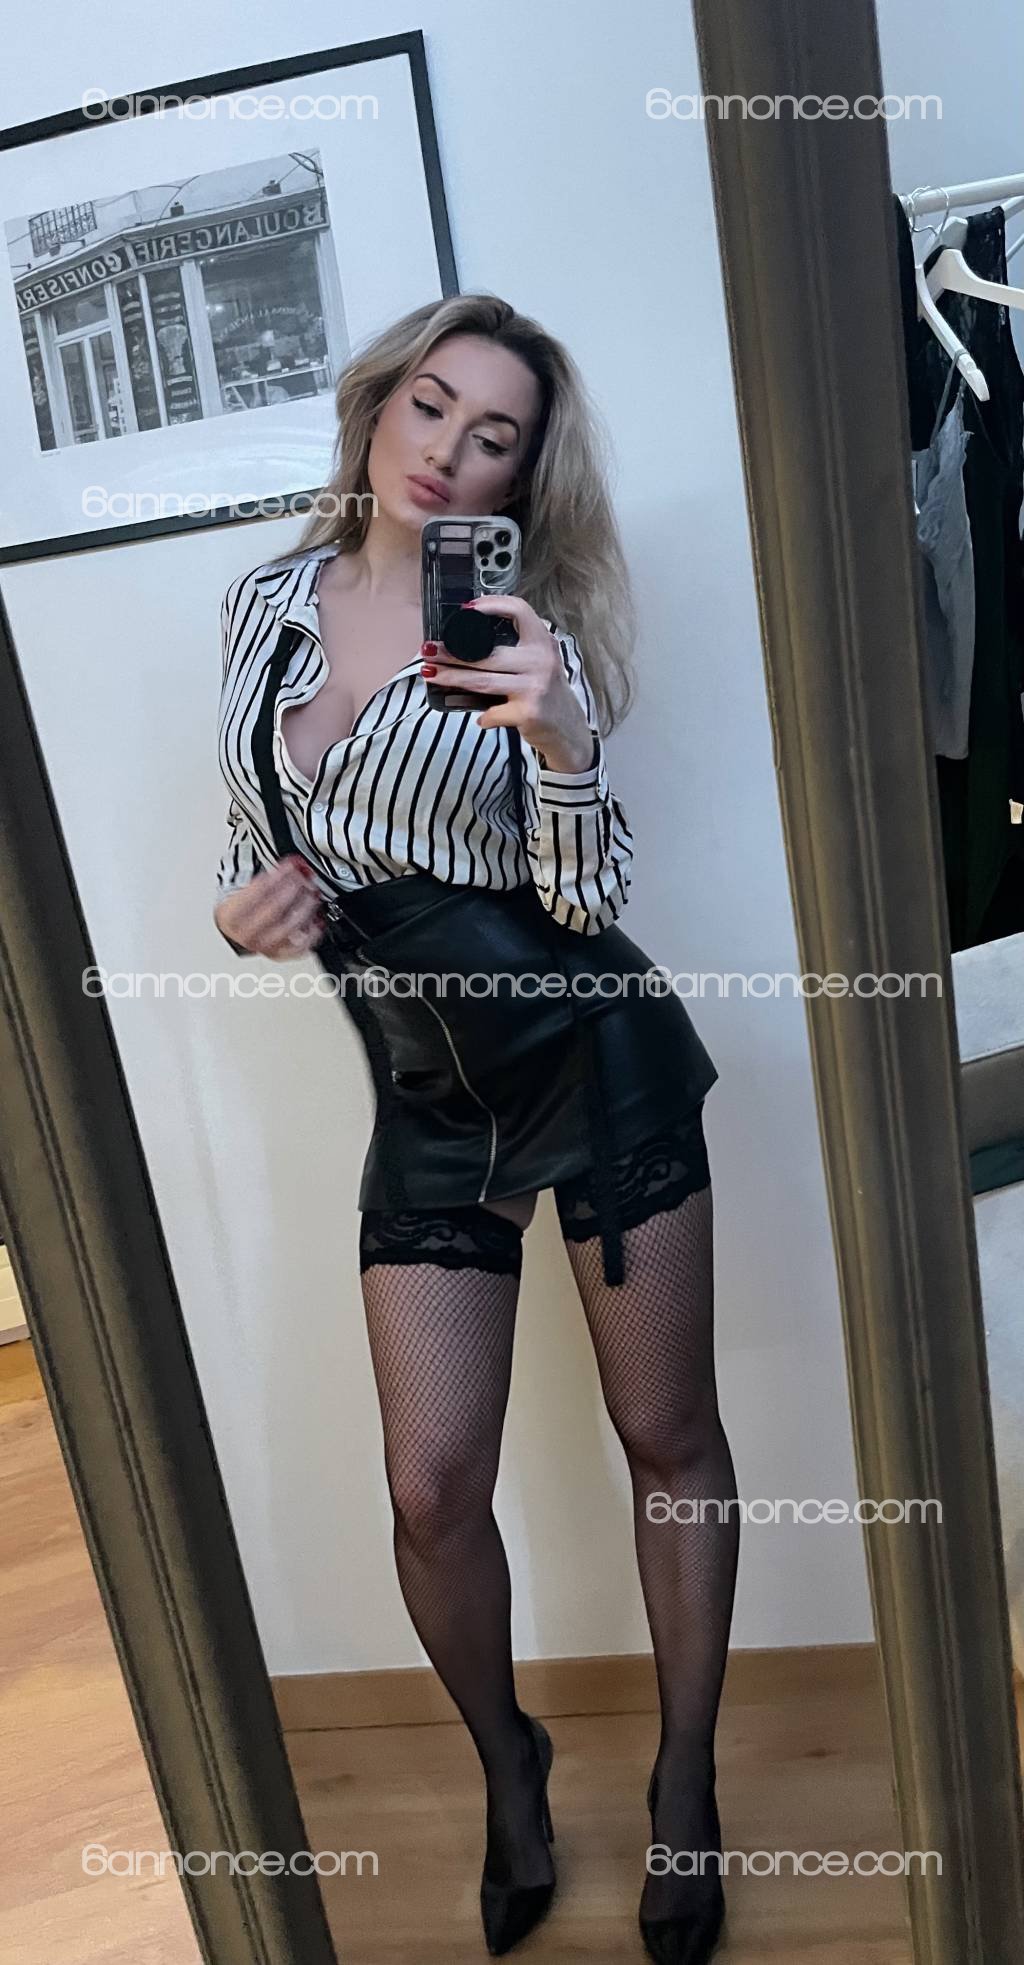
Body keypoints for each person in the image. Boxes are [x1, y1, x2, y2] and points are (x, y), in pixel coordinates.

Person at [214, 292, 738, 1963]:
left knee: (666, 1434)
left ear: (522, 473)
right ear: (380, 405)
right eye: (430, 405)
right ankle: (511, 1757)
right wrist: (244, 911)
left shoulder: (525, 632)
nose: (447, 450)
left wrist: (561, 735)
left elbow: (586, 899)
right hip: (430, 1097)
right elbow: (253, 836)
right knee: (433, 1485)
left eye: (493, 434)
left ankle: (686, 1781)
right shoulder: (261, 606)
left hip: (593, 1059)